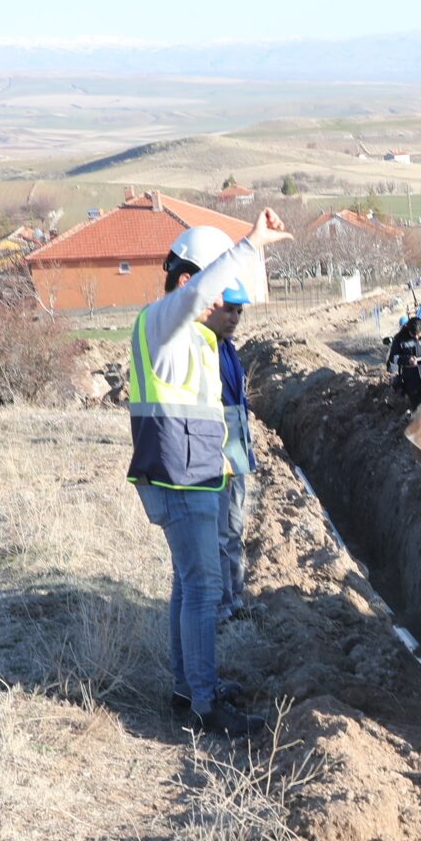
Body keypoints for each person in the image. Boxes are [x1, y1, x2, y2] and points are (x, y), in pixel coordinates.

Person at [126, 224, 262, 738]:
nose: (220, 308)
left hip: (191, 475)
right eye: (213, 295)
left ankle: (190, 688)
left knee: (188, 585)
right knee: (204, 588)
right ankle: (204, 705)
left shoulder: (190, 339)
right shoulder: (164, 322)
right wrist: (251, 246)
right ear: (186, 280)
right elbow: (199, 293)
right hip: (179, 482)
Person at [216, 322, 253, 624]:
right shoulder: (206, 350)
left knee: (235, 522)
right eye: (229, 309)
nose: (234, 317)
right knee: (221, 527)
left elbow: (238, 394)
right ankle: (223, 603)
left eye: (238, 311)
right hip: (217, 443)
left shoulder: (229, 349)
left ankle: (236, 596)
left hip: (236, 437)